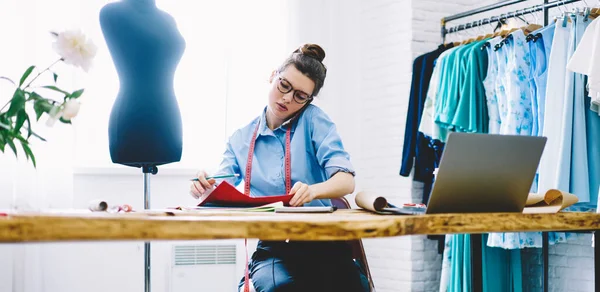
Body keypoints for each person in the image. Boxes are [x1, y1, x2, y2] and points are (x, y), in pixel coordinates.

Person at [189, 43, 369, 292]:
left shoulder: (315, 121)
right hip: (274, 248)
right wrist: (204, 187)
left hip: (325, 241)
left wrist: (313, 191)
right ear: (273, 75)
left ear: (309, 99)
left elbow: (346, 181)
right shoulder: (241, 139)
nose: (287, 98)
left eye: (300, 96)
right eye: (284, 86)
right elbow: (222, 186)